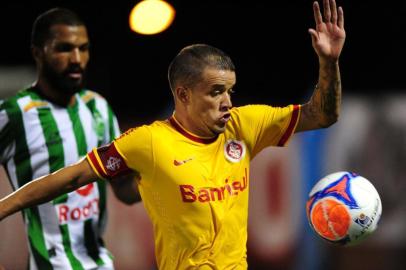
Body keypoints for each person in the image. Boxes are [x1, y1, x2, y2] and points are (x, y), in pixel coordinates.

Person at [0, 0, 345, 269]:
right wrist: (5, 207)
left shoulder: (245, 125)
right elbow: (71, 176)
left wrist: (328, 62)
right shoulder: (148, 142)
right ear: (183, 95)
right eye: (215, 92)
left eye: (230, 91)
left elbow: (323, 115)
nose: (227, 102)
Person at [0, 8, 139, 270]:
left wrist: (163, 176)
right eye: (64, 48)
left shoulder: (98, 108)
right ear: (38, 52)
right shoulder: (15, 113)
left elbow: (124, 191)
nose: (77, 59)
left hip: (101, 264)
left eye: (83, 48)